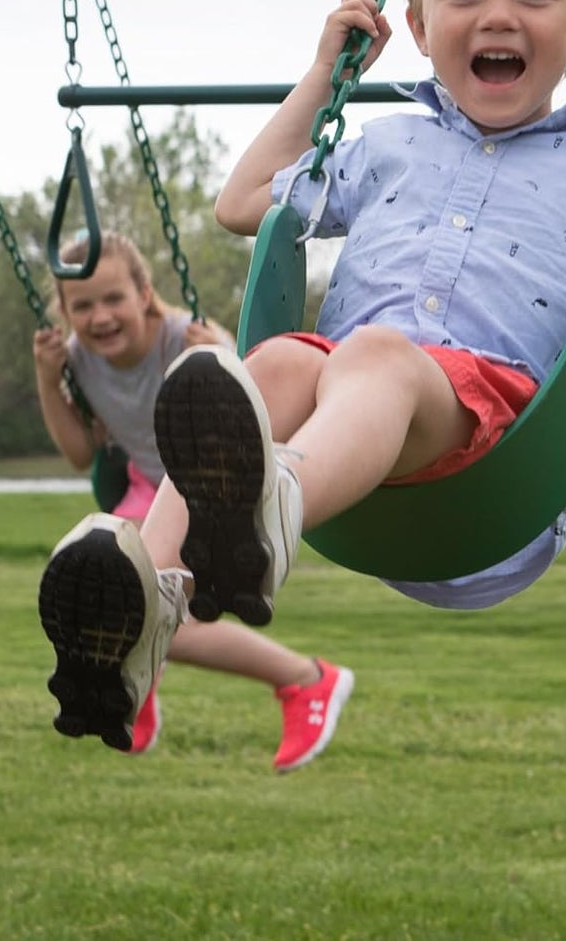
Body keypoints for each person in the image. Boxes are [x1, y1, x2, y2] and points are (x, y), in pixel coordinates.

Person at [37, 0, 566, 737]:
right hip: (354, 422)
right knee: (273, 362)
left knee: (372, 353)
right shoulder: (388, 144)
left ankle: (277, 503)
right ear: (419, 29)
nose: (497, 15)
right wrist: (321, 77)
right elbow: (244, 201)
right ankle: (144, 604)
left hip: (492, 451)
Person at [33, 230, 354, 769]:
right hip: (144, 492)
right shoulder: (76, 360)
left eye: (113, 298)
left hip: (211, 489)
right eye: (82, 306)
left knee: (142, 619)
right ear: (64, 313)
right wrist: (48, 381)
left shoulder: (188, 339)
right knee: (106, 606)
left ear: (144, 291)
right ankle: (143, 682)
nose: (101, 317)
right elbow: (80, 455)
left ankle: (306, 679)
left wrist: (222, 355)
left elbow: (253, 410)